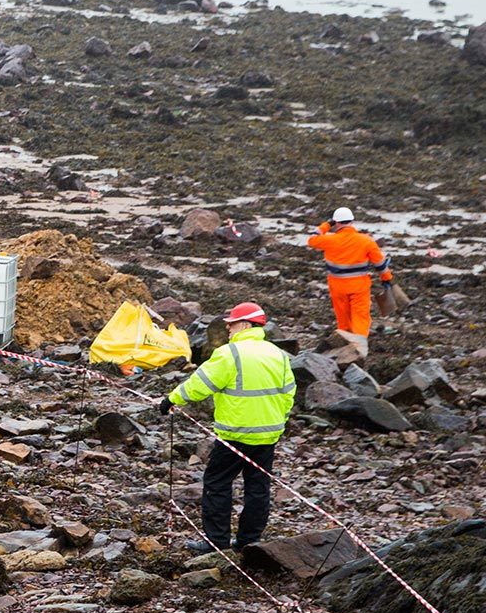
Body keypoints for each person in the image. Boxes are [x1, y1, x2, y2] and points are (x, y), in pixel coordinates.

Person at [160, 300, 297, 554]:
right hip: (268, 435)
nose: (228, 330)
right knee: (258, 489)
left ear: (245, 325)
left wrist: (172, 399)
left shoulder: (230, 353)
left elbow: (200, 385)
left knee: (217, 484)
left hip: (235, 434)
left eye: (231, 325)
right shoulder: (277, 354)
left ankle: (217, 543)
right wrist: (279, 419)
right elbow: (289, 392)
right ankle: (248, 541)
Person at [307, 207, 392, 345]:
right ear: (352, 221)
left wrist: (327, 224)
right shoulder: (366, 240)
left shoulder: (329, 240)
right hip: (359, 287)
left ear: (336, 223)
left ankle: (345, 344)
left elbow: (312, 238)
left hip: (338, 287)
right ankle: (359, 347)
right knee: (360, 318)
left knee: (343, 319)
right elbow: (380, 264)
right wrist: (386, 279)